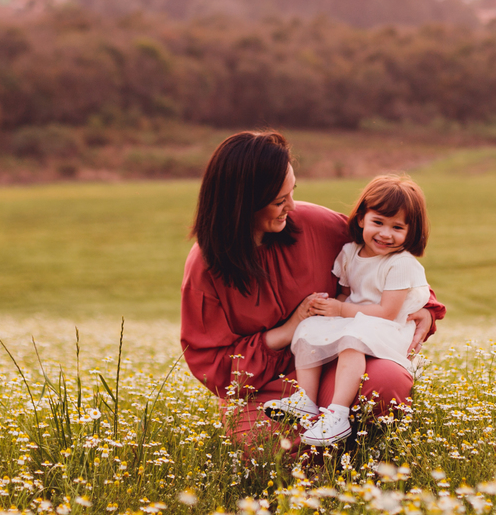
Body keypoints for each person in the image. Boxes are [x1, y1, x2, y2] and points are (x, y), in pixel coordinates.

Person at [180, 131, 445, 446]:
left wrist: (426, 306)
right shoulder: (205, 268)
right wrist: (290, 328)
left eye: (292, 192)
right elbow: (213, 365)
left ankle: (349, 436)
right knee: (274, 450)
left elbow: (382, 261)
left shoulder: (315, 223)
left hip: (332, 365)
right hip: (264, 387)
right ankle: (336, 445)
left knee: (385, 383)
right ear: (243, 203)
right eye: (280, 200)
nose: (292, 206)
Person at [264, 173, 432, 446]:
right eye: (378, 222)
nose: (385, 234)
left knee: (352, 341)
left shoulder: (401, 264)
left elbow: (388, 312)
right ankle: (305, 399)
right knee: (308, 326)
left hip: (387, 328)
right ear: (362, 218)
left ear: (412, 232)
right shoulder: (350, 253)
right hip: (359, 320)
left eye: (397, 228)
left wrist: (341, 310)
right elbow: (346, 293)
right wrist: (328, 310)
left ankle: (338, 414)